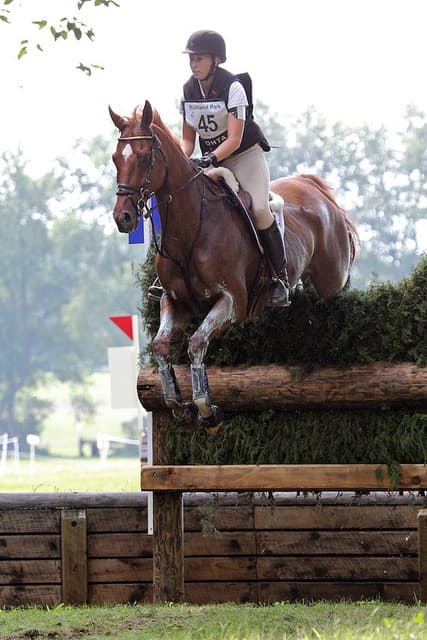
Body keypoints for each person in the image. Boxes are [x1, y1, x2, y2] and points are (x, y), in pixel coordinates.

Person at [148, 30, 289, 307]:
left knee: (260, 209)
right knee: (182, 205)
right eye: (192, 59)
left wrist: (210, 157)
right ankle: (168, 274)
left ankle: (279, 277)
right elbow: (188, 141)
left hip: (244, 156)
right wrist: (182, 162)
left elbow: (235, 139)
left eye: (199, 59)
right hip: (210, 159)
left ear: (216, 60)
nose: (194, 64)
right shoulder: (189, 90)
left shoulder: (233, 87)